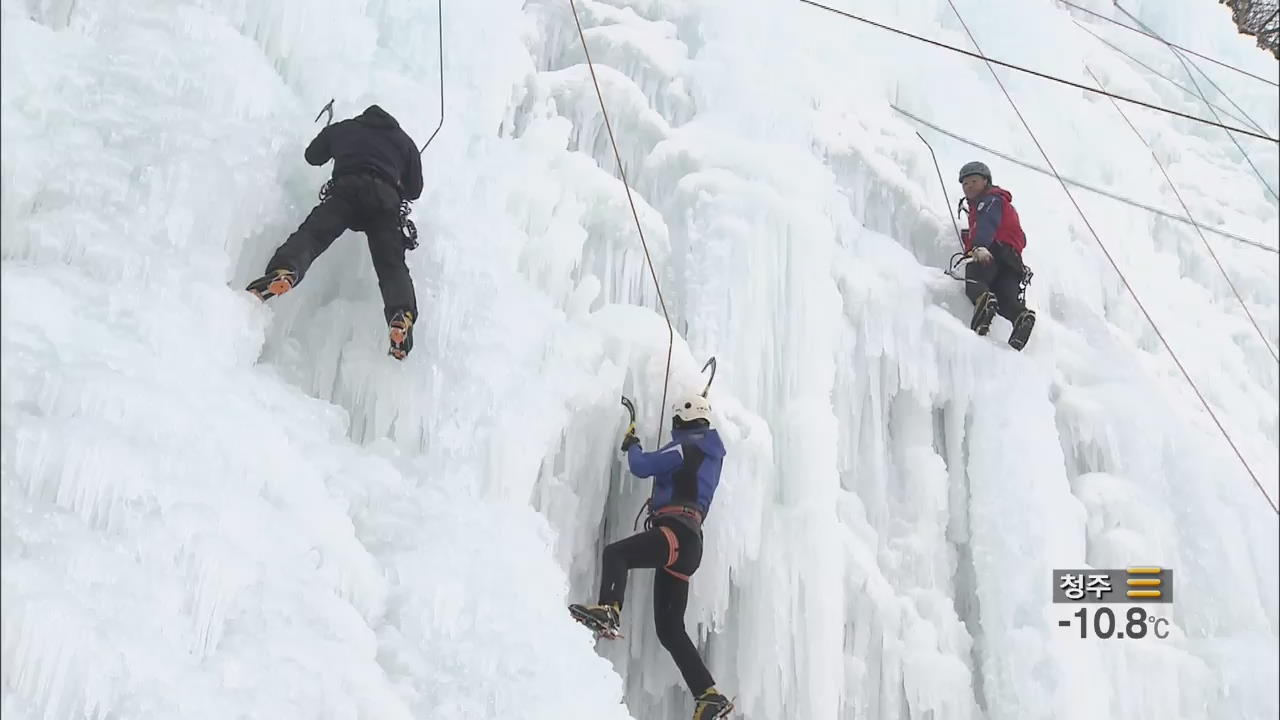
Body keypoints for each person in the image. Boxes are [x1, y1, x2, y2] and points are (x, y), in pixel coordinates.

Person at [569, 394, 734, 720]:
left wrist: (632, 443)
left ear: (682, 421)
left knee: (617, 553)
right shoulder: (710, 455)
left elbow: (642, 465)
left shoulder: (686, 447)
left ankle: (609, 610)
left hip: (675, 533)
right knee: (670, 629)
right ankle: (708, 694)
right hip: (689, 545)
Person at [246, 104, 424, 359]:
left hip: (347, 191)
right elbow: (414, 190)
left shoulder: (347, 128)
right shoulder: (405, 142)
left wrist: (338, 143)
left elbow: (312, 155)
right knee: (391, 265)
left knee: (313, 236)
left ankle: (284, 271)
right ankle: (401, 315)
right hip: (385, 203)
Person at [958, 160, 1036, 350]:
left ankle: (984, 304)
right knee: (1005, 297)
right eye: (965, 184)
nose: (968, 187)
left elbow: (988, 224)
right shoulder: (1002, 204)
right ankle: (1020, 317)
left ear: (986, 181)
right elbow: (1021, 237)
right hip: (1012, 261)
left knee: (975, 278)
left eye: (973, 181)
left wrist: (980, 246)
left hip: (994, 251)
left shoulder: (990, 201)